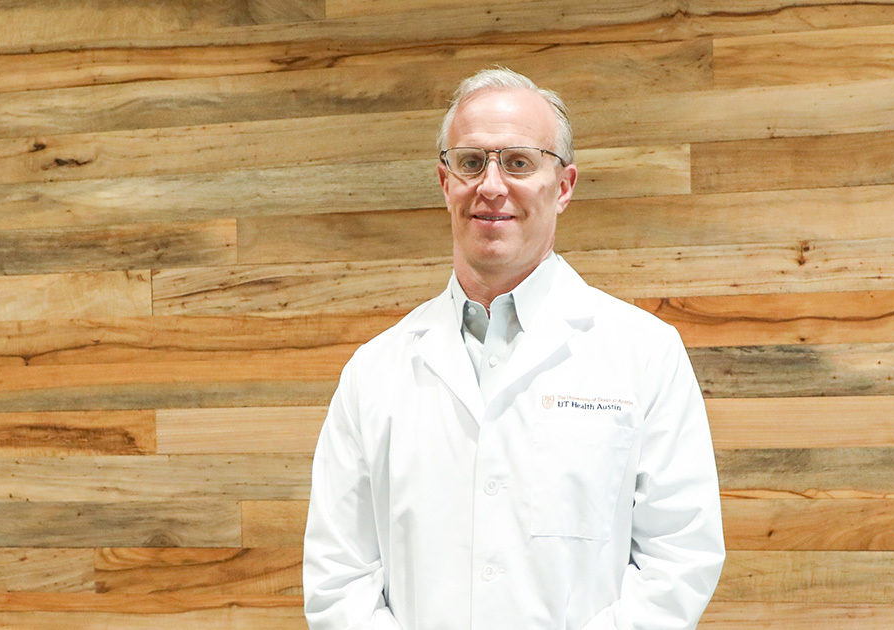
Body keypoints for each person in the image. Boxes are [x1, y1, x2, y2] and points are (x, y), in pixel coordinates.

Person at [303, 67, 725, 629]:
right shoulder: (374, 372)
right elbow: (340, 577)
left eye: (519, 162)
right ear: (444, 182)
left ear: (565, 185)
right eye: (471, 162)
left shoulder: (644, 353)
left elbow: (679, 559)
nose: (492, 186)